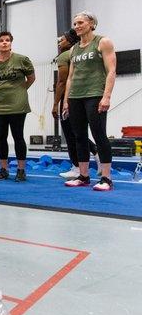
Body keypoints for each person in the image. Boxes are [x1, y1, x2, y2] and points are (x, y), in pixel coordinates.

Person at [63, 11, 117, 191]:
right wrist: (66, 101)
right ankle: (84, 176)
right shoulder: (73, 49)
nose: (76, 26)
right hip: (75, 97)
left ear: (92, 23)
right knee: (79, 137)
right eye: (75, 24)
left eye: (80, 23)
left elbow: (111, 70)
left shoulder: (103, 42)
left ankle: (106, 178)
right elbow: (70, 77)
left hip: (95, 94)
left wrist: (106, 96)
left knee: (99, 134)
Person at [0, 31, 35, 182]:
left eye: (8, 40)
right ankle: (3, 169)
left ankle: (21, 170)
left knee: (18, 136)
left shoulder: (22, 60)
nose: (5, 42)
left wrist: (19, 91)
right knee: (1, 137)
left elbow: (31, 78)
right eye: (1, 41)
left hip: (17, 105)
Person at [52, 29, 100, 179]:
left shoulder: (65, 56)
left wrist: (56, 103)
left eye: (62, 39)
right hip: (84, 95)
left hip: (70, 98)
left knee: (71, 134)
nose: (60, 42)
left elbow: (62, 82)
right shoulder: (78, 53)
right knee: (78, 132)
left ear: (70, 41)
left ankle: (77, 167)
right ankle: (96, 152)